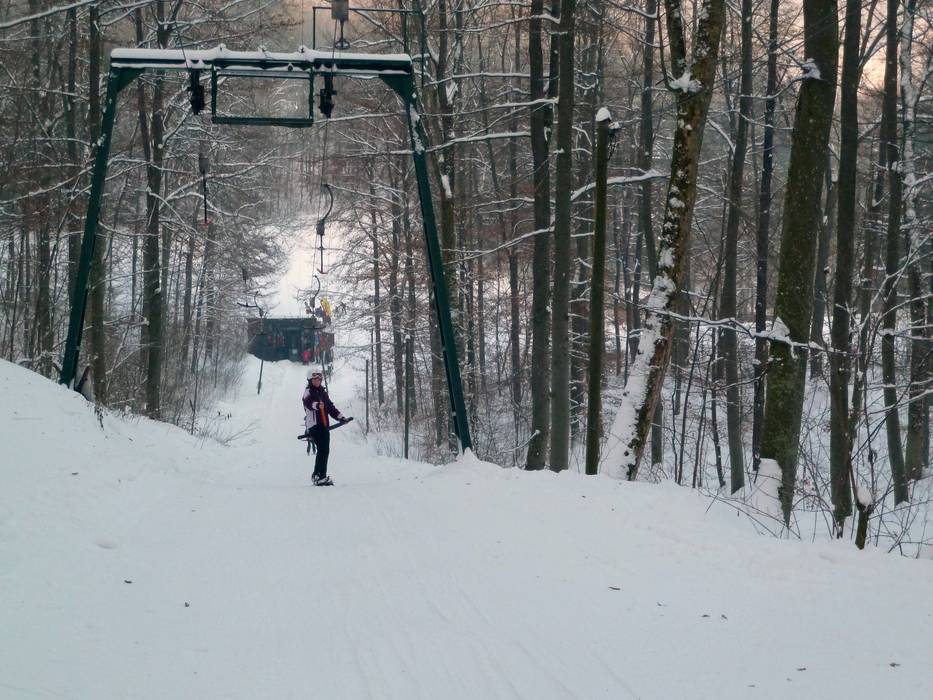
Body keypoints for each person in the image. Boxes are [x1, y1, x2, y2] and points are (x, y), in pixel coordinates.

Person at [302, 370, 349, 485]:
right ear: (310, 380)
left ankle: (318, 475)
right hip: (314, 426)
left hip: (324, 426)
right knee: (323, 449)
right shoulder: (308, 392)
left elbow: (330, 408)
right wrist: (318, 405)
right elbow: (309, 403)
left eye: (319, 379)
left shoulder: (323, 393)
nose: (317, 381)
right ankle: (319, 476)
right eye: (314, 379)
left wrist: (341, 417)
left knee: (324, 450)